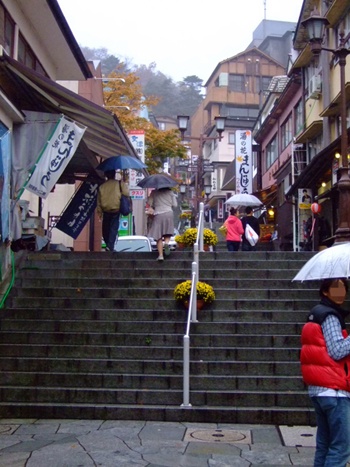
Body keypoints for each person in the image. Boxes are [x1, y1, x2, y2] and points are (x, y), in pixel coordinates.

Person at [300, 278, 350, 467]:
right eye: (336, 288)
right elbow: (336, 351)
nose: (341, 292)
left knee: (325, 445)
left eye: (344, 287)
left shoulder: (316, 314)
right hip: (334, 390)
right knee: (341, 448)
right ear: (325, 292)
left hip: (319, 389)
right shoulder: (329, 316)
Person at [96, 170, 129, 252]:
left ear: (106, 175)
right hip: (116, 209)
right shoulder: (119, 184)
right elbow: (127, 193)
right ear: (114, 175)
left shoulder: (102, 186)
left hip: (105, 209)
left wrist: (99, 212)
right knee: (113, 228)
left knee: (106, 229)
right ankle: (110, 246)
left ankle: (108, 244)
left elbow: (99, 201)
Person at [147, 187, 177, 261]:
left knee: (158, 236)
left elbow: (149, 203)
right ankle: (166, 243)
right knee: (167, 233)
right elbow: (175, 205)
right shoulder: (170, 192)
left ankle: (160, 256)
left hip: (158, 214)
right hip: (169, 213)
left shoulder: (154, 192)